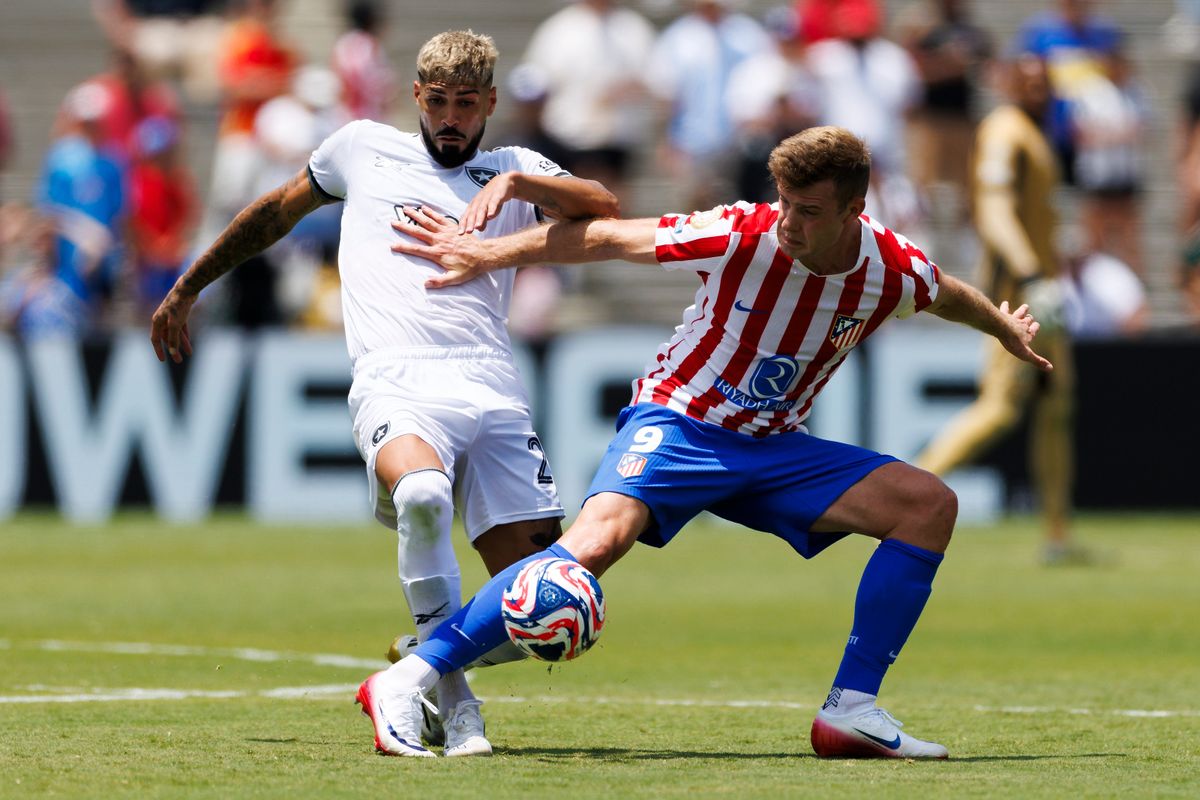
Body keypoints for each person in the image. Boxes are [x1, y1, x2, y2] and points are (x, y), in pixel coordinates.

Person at [370, 125, 1053, 760]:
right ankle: (412, 675)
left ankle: (851, 709)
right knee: (591, 548)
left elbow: (944, 292)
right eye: (784, 201)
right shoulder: (741, 230)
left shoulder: (889, 267)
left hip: (773, 448)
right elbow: (606, 237)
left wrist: (1003, 329)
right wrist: (485, 252)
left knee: (927, 505)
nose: (789, 221)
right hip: (680, 423)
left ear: (854, 210)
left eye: (809, 211)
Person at [149, 30, 619, 757]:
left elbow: (602, 207)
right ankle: (457, 706)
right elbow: (275, 212)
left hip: (492, 386)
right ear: (417, 99)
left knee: (552, 612)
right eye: (439, 103)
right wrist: (188, 287)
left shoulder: (515, 169)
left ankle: (428, 652)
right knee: (424, 496)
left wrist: (523, 186)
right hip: (397, 377)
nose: (452, 119)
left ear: (491, 102)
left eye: (467, 103)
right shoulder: (362, 147)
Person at [913, 53, 1079, 565]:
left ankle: (1056, 534)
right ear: (1007, 83)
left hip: (1039, 285)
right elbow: (995, 208)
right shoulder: (1007, 131)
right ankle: (904, 489)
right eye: (1026, 80)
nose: (1037, 88)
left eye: (1042, 81)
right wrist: (1031, 274)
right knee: (1001, 407)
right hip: (1021, 294)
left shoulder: (1030, 131)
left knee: (1056, 408)